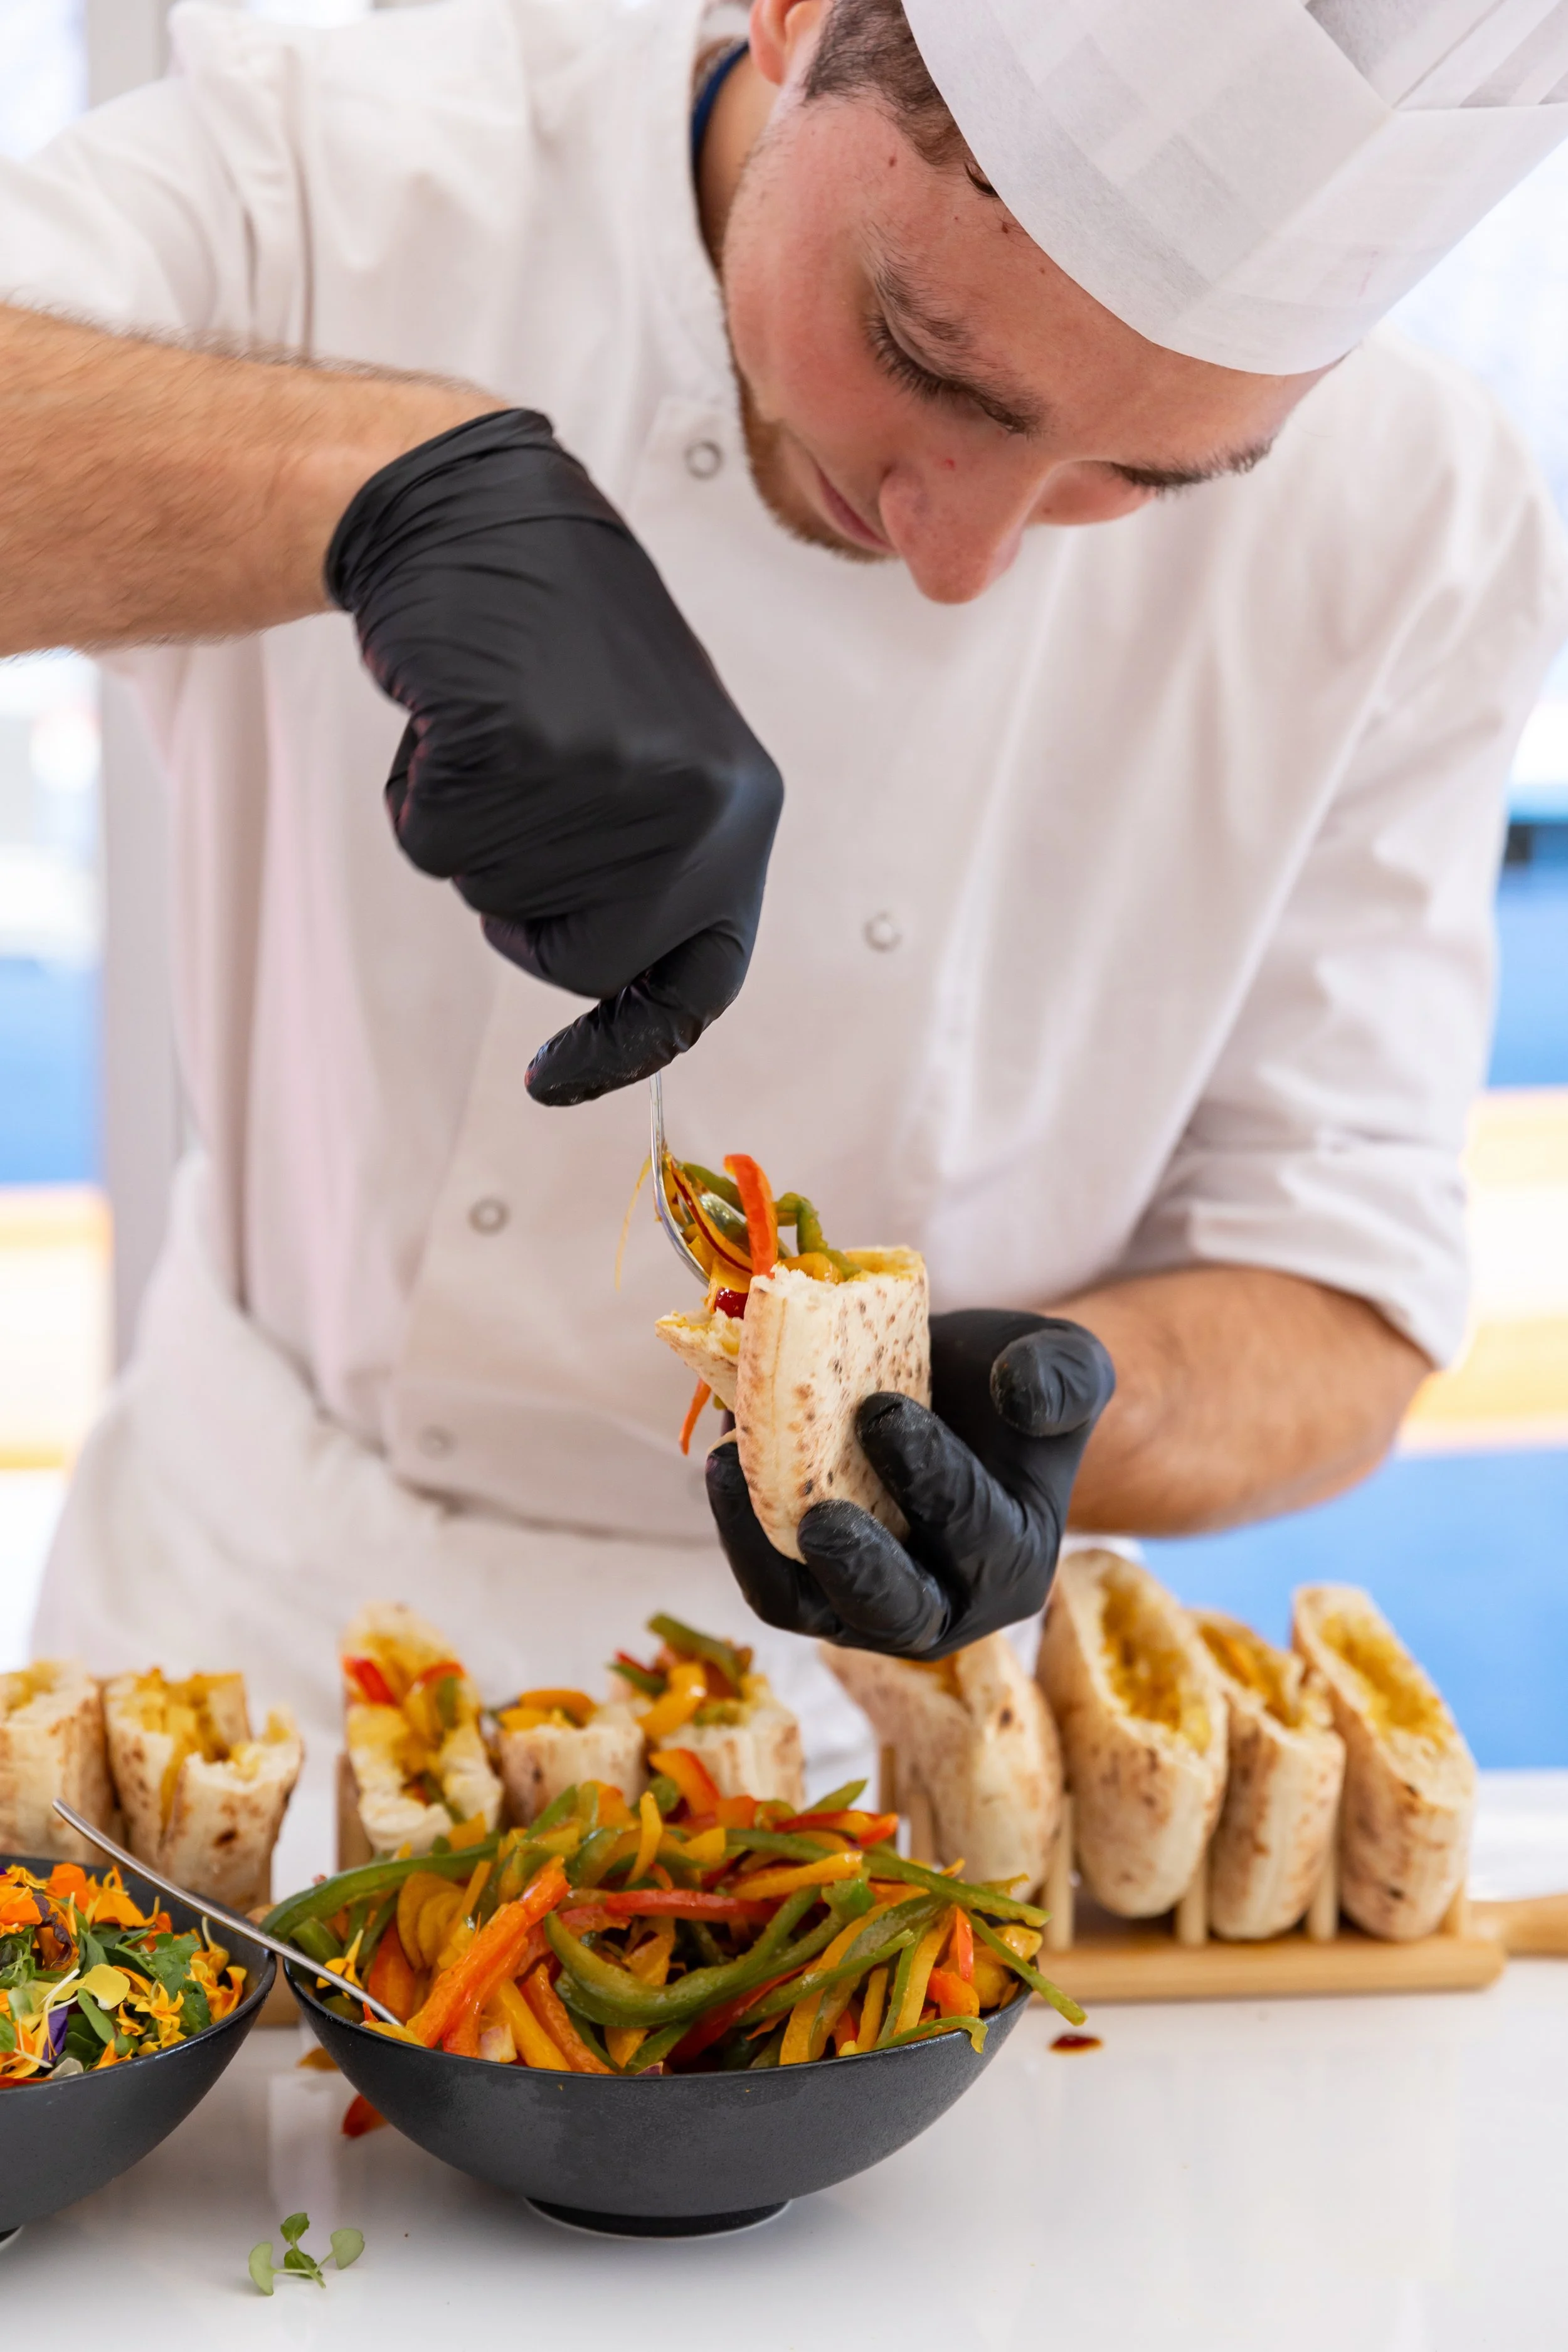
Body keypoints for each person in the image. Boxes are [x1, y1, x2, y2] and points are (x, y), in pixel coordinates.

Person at [3, 0, 1566, 1776]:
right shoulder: (343, 183)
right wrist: (363, 490)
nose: (957, 554)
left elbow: (1335, 1290)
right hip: (247, 1668)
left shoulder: (1418, 519)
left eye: (1137, 479)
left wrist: (1044, 1411)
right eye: (923, 355)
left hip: (886, 1741)